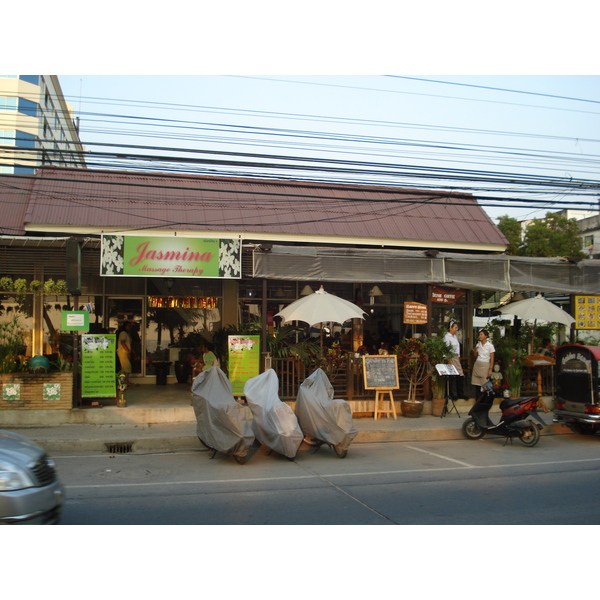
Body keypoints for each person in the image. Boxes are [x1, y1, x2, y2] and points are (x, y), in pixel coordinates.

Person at [443, 322, 468, 400]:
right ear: (451, 328)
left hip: (456, 357)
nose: (457, 329)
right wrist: (447, 359)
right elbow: (446, 349)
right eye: (455, 327)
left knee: (460, 374)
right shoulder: (447, 337)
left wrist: (459, 357)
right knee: (451, 375)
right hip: (450, 357)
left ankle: (460, 393)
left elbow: (457, 348)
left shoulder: (455, 337)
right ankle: (450, 393)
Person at [116, 321, 134, 385]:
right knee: (127, 366)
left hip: (124, 351)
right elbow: (122, 342)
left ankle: (124, 381)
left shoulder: (126, 334)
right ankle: (126, 381)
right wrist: (127, 351)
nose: (130, 327)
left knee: (125, 367)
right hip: (123, 351)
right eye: (129, 326)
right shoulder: (123, 333)